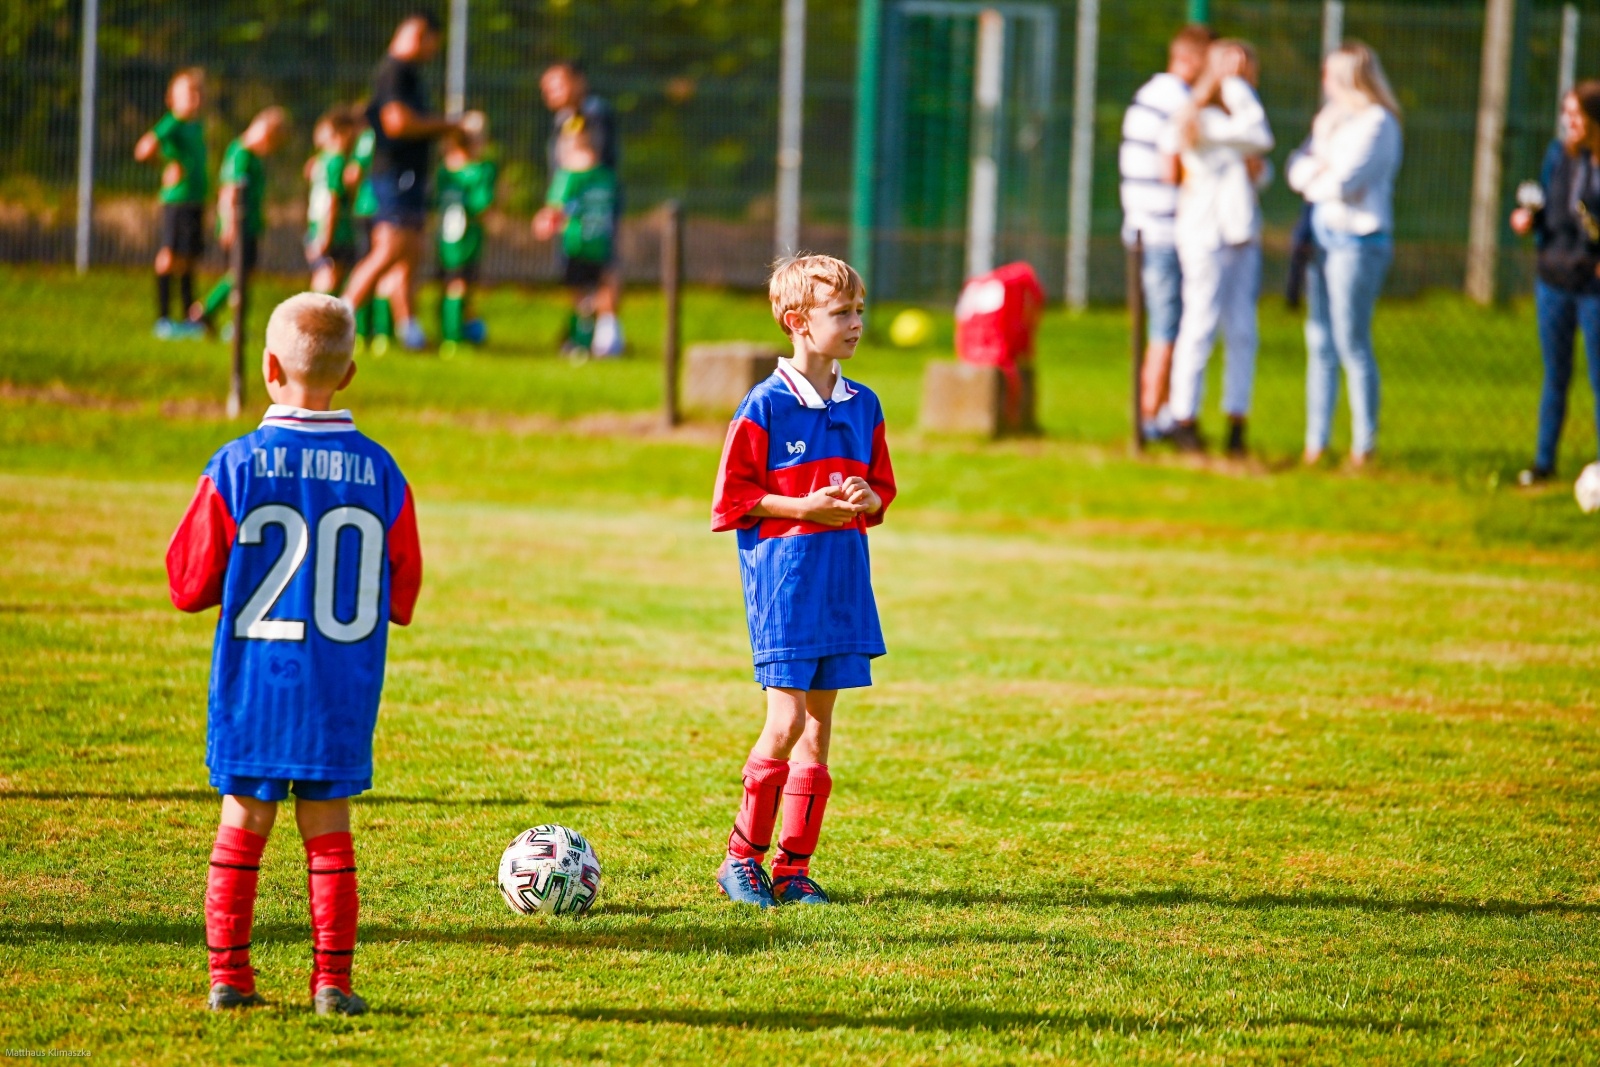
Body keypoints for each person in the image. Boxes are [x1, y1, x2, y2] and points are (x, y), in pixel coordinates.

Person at [165, 292, 423, 1015]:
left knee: (243, 822)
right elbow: (403, 588)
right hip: (339, 687)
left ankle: (229, 977)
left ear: (269, 367)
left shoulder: (235, 464)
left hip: (254, 683)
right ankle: (332, 983)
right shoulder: (382, 471)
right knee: (329, 832)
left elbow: (187, 584)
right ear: (348, 375)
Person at [708, 254, 897, 908]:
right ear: (797, 321)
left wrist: (865, 495)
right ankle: (740, 860)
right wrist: (804, 507)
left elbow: (881, 490)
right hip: (785, 589)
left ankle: (793, 870)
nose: (856, 322)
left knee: (819, 730)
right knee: (785, 720)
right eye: (841, 312)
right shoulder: (764, 406)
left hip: (842, 587)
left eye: (859, 310)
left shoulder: (864, 404)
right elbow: (733, 499)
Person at [1287, 41, 1403, 468]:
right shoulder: (1331, 119)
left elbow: (1346, 182)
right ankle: (1315, 443)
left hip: (1358, 242)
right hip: (1321, 238)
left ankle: (1362, 447)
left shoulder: (1379, 123)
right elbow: (1296, 166)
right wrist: (1318, 171)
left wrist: (1318, 177)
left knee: (1351, 342)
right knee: (1319, 340)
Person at [1162, 40, 1274, 456]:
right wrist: (1225, 85)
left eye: (1243, 72)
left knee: (1242, 330)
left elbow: (1260, 164)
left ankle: (1236, 420)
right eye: (1230, 71)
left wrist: (1256, 171)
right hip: (1204, 234)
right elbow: (1257, 136)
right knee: (1201, 322)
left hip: (1241, 233)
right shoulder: (1202, 118)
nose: (1237, 80)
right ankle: (1184, 417)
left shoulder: (1239, 121)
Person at [341, 12, 467, 352]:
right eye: (433, 44)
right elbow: (396, 123)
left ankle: (409, 329)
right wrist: (448, 126)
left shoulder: (409, 74)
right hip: (394, 174)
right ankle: (341, 317)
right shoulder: (393, 71)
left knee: (411, 251)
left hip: (410, 177)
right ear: (421, 35)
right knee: (389, 249)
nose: (433, 52)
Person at [1120, 25, 1216, 441]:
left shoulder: (1149, 94)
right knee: (1168, 328)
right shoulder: (1177, 101)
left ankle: (1153, 417)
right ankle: (1151, 419)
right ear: (1192, 61)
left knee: (1162, 325)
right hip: (1162, 230)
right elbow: (1171, 167)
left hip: (1142, 226)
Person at [1509, 83, 1600, 486]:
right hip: (1554, 277)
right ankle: (1543, 464)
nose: (1569, 122)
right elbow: (1548, 207)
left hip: (1593, 285)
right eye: (1567, 113)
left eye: (1576, 114)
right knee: (1555, 375)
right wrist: (1529, 219)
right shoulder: (1558, 156)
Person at [541, 60, 625, 356]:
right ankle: (584, 329)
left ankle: (607, 330)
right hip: (570, 209)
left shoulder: (593, 113)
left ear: (578, 82)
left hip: (592, 206)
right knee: (574, 269)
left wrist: (561, 197)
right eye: (547, 88)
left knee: (604, 264)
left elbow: (591, 157)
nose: (551, 93)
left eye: (558, 85)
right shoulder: (562, 118)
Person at [189, 107, 289, 335]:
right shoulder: (241, 153)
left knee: (242, 275)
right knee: (238, 274)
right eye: (273, 143)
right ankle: (204, 311)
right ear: (265, 133)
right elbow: (230, 190)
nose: (271, 149)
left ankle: (233, 323)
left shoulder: (252, 156)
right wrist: (229, 223)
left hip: (250, 225)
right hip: (239, 225)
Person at [134, 67, 208, 339]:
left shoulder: (196, 126)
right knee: (170, 256)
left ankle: (188, 319)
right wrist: (166, 164)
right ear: (171, 99)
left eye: (198, 92)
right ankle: (163, 319)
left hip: (195, 199)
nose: (195, 98)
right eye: (189, 93)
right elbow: (144, 149)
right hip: (177, 201)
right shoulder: (172, 123)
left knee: (188, 259)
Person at [534, 121, 618, 357]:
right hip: (600, 243)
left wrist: (544, 221)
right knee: (598, 291)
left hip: (576, 243)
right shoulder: (605, 176)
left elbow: (555, 208)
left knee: (579, 296)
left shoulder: (568, 176)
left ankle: (580, 342)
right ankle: (601, 339)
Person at [434, 114, 497, 352]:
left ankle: (452, 332)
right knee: (459, 285)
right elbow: (482, 206)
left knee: (451, 284)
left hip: (446, 240)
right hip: (466, 242)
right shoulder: (481, 170)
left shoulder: (445, 171)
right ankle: (453, 338)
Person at [304, 106, 360, 296]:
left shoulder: (321, 160)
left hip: (315, 226)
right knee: (331, 278)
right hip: (335, 230)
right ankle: (318, 315)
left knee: (322, 275)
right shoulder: (337, 161)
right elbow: (332, 199)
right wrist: (327, 234)